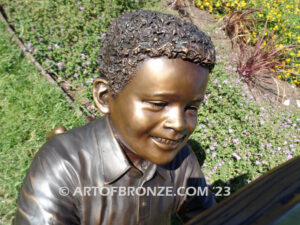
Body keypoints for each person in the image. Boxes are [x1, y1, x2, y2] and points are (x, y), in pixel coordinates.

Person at [14, 10, 216, 225]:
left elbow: (210, 216)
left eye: (191, 108)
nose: (178, 124)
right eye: (158, 104)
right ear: (105, 97)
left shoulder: (180, 160)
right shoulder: (62, 168)